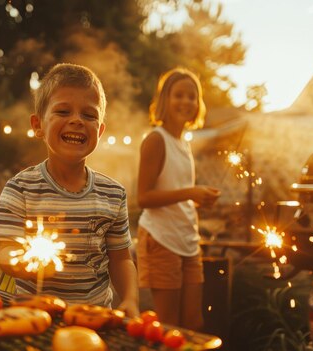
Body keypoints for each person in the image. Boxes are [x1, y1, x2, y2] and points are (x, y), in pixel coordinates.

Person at [0, 63, 139, 317]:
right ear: (38, 125)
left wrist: (132, 299)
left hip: (95, 318)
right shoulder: (20, 189)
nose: (77, 121)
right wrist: (23, 262)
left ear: (100, 130)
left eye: (89, 115)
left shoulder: (113, 194)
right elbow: (5, 251)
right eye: (63, 111)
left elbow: (121, 259)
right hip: (36, 318)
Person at [136, 67, 221, 330]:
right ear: (165, 100)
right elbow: (144, 197)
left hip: (187, 239)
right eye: (179, 95)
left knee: (194, 322)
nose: (186, 102)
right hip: (162, 239)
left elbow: (175, 191)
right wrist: (190, 193)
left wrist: (198, 199)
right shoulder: (155, 140)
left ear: (198, 104)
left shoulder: (183, 144)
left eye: (192, 96)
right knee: (169, 325)